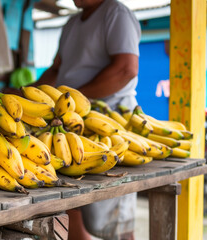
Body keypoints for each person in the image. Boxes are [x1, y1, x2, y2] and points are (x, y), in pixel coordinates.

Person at [34, 0, 141, 239]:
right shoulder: (72, 23)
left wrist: (77, 98)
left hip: (107, 121)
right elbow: (56, 70)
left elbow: (126, 69)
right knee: (70, 201)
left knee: (112, 223)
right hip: (69, 123)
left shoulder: (115, 14)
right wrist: (26, 92)